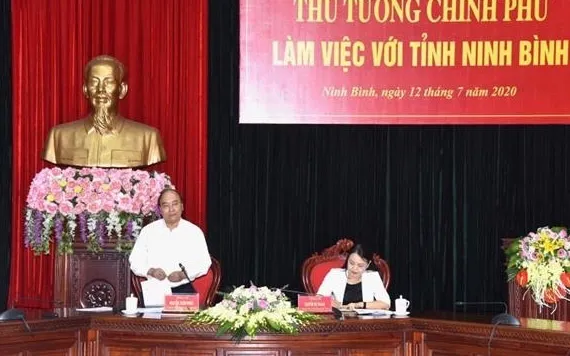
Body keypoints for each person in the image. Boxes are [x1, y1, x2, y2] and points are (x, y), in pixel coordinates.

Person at [42, 55, 166, 168]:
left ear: (122, 90)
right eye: (94, 82)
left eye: (109, 82)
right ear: (85, 89)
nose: (100, 90)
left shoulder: (147, 138)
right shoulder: (59, 136)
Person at [129, 188, 211, 294]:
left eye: (175, 204)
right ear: (160, 210)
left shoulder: (194, 232)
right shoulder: (148, 231)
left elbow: (204, 262)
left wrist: (182, 275)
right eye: (166, 206)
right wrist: (151, 271)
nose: (171, 209)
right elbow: (135, 260)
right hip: (154, 289)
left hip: (183, 288)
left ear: (182, 206)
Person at [317, 244, 390, 310]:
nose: (354, 268)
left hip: (365, 322)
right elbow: (318, 298)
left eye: (360, 265)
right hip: (338, 321)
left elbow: (386, 304)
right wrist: (333, 303)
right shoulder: (334, 275)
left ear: (368, 264)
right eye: (351, 263)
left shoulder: (372, 277)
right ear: (347, 259)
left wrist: (360, 305)